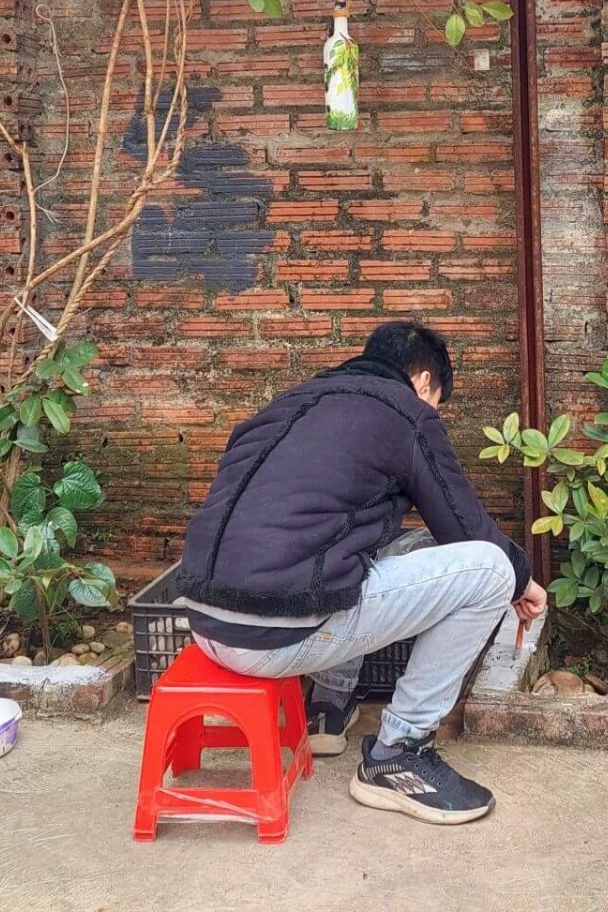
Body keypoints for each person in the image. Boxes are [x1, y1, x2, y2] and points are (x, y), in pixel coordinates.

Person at [174, 321, 545, 826]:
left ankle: (328, 708)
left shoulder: (291, 402)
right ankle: (399, 752)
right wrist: (523, 580)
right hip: (274, 637)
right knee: (491, 570)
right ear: (423, 382)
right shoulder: (407, 412)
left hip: (204, 622)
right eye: (437, 402)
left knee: (372, 543)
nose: (433, 412)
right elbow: (465, 529)